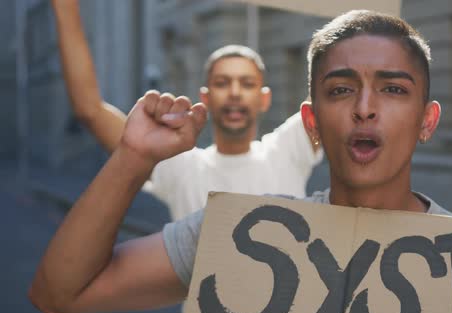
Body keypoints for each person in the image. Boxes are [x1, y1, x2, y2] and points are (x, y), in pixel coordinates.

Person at [29, 9, 452, 313]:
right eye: (341, 90)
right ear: (313, 122)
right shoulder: (231, 231)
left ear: (427, 120)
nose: (365, 108)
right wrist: (132, 157)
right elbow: (59, 293)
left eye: (393, 90)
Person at [51, 0, 323, 221]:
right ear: (205, 97)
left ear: (264, 99)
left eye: (247, 83)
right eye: (222, 82)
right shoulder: (182, 168)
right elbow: (89, 110)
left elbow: (337, 85)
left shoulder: (289, 149)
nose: (235, 92)